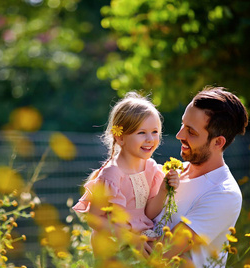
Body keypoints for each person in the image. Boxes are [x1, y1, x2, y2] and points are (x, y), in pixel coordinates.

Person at [153, 86, 249, 268]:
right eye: (182, 125)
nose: (179, 135)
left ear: (218, 142)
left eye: (191, 132)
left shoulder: (223, 193)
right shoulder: (172, 171)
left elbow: (163, 251)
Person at [72, 92, 179, 257]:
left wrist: (164, 190)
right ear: (120, 138)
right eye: (141, 133)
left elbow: (148, 213)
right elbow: (94, 218)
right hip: (114, 247)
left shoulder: (151, 168)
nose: (150, 139)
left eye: (155, 132)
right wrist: (130, 239)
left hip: (139, 241)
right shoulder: (112, 174)